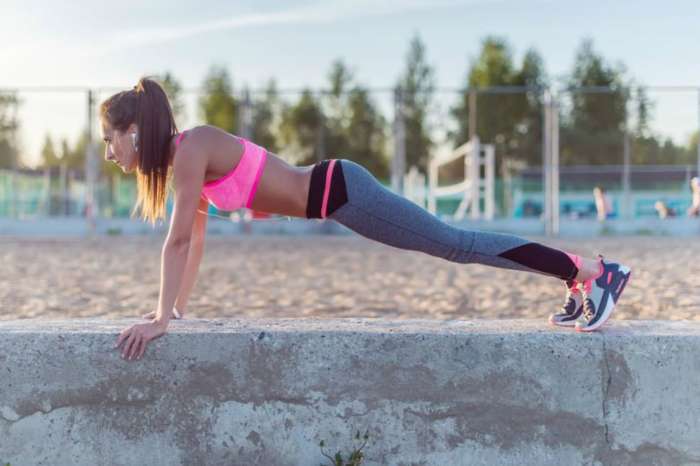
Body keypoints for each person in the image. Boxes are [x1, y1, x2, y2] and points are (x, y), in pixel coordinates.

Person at [108, 77, 632, 361]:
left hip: (342, 189)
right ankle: (580, 275)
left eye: (110, 138)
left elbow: (174, 243)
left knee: (457, 243)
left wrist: (155, 322)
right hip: (338, 197)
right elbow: (194, 242)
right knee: (456, 242)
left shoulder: (191, 147)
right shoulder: (187, 161)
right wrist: (171, 313)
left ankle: (592, 273)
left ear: (134, 130)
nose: (109, 151)